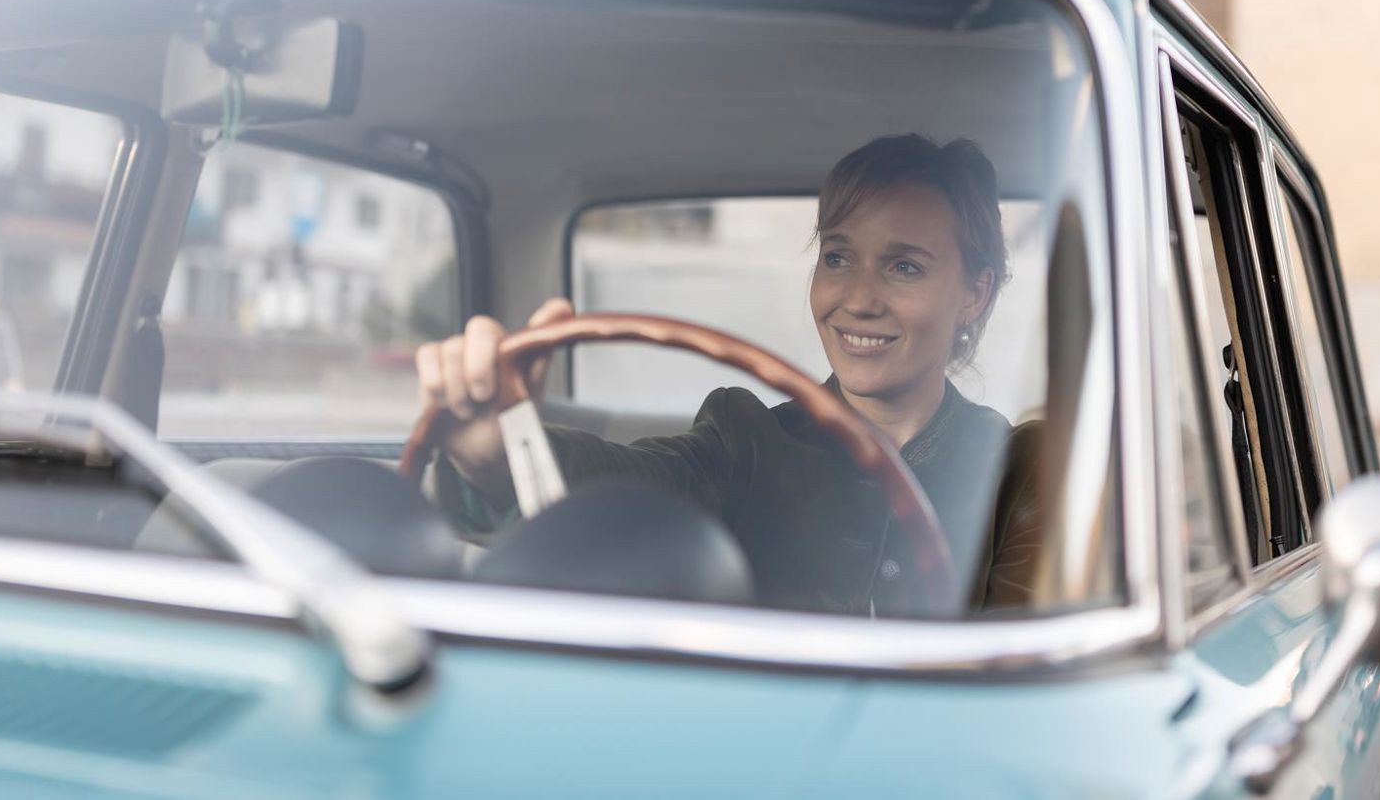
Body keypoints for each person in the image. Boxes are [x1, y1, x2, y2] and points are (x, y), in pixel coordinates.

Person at [415, 134, 1021, 616]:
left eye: (904, 267)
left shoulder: (1018, 469)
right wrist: (496, 458)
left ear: (973, 292)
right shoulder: (747, 437)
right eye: (837, 258)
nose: (857, 299)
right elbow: (632, 487)